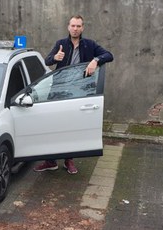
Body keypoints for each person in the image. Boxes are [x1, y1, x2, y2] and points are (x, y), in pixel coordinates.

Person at [34, 15, 114, 175]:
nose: (75, 28)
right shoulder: (61, 44)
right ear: (68, 27)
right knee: (53, 126)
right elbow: (47, 61)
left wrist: (96, 60)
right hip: (58, 92)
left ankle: (68, 160)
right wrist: (54, 58)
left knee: (71, 127)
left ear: (82, 28)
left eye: (78, 26)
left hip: (78, 93)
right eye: (73, 25)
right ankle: (50, 161)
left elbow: (109, 55)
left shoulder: (90, 45)